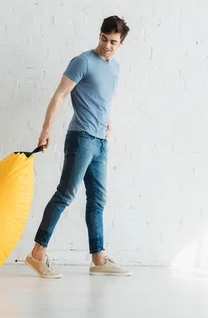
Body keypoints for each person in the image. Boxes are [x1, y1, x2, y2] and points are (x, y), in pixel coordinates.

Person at [24, 15, 133, 278]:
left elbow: (104, 100)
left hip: (99, 142)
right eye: (104, 39)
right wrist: (46, 128)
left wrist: (108, 124)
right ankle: (37, 254)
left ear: (121, 43)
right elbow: (60, 94)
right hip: (81, 137)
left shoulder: (115, 68)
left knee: (97, 200)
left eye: (113, 42)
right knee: (65, 194)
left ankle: (99, 258)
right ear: (99, 35)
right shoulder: (83, 61)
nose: (107, 45)